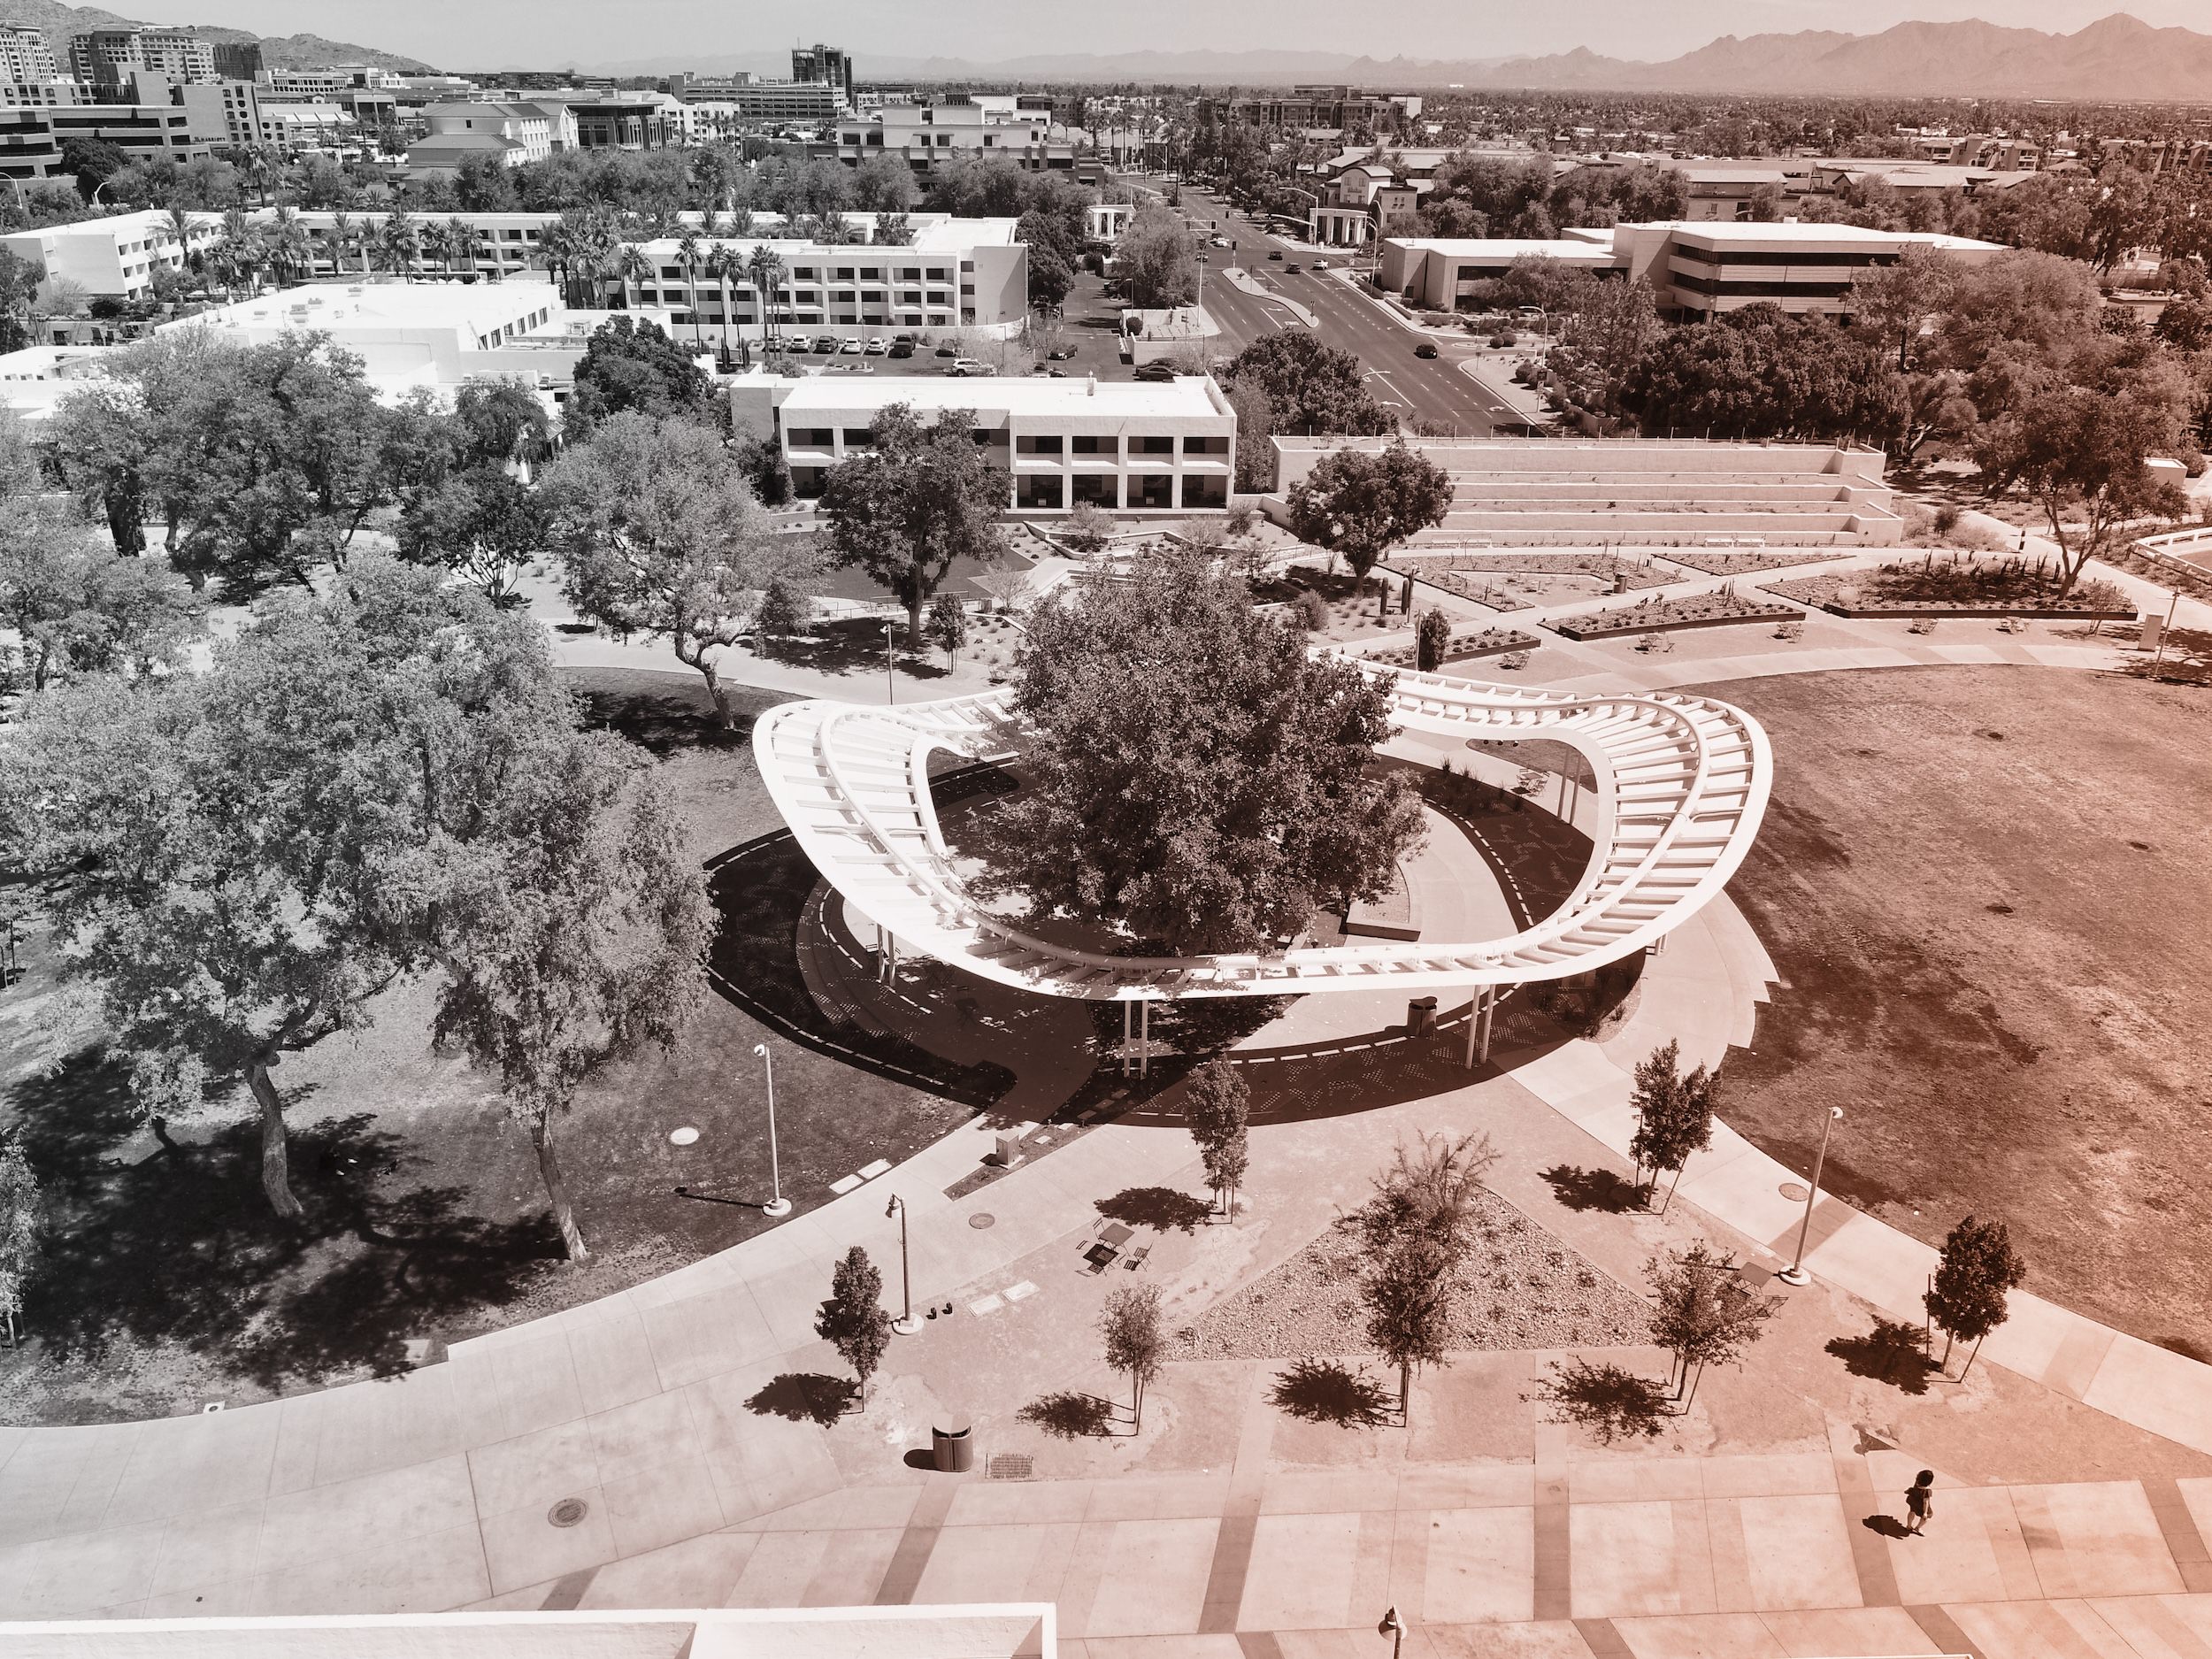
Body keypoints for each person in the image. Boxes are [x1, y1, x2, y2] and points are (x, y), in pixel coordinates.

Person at [1904, 1469, 1936, 1536]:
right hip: (1920, 1505)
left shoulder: (1917, 1482)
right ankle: (1918, 1528)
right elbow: (1925, 1502)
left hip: (1913, 1501)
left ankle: (1909, 1526)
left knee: (1912, 1512)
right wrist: (1925, 1513)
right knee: (1927, 1517)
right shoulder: (1927, 1491)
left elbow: (1913, 1489)